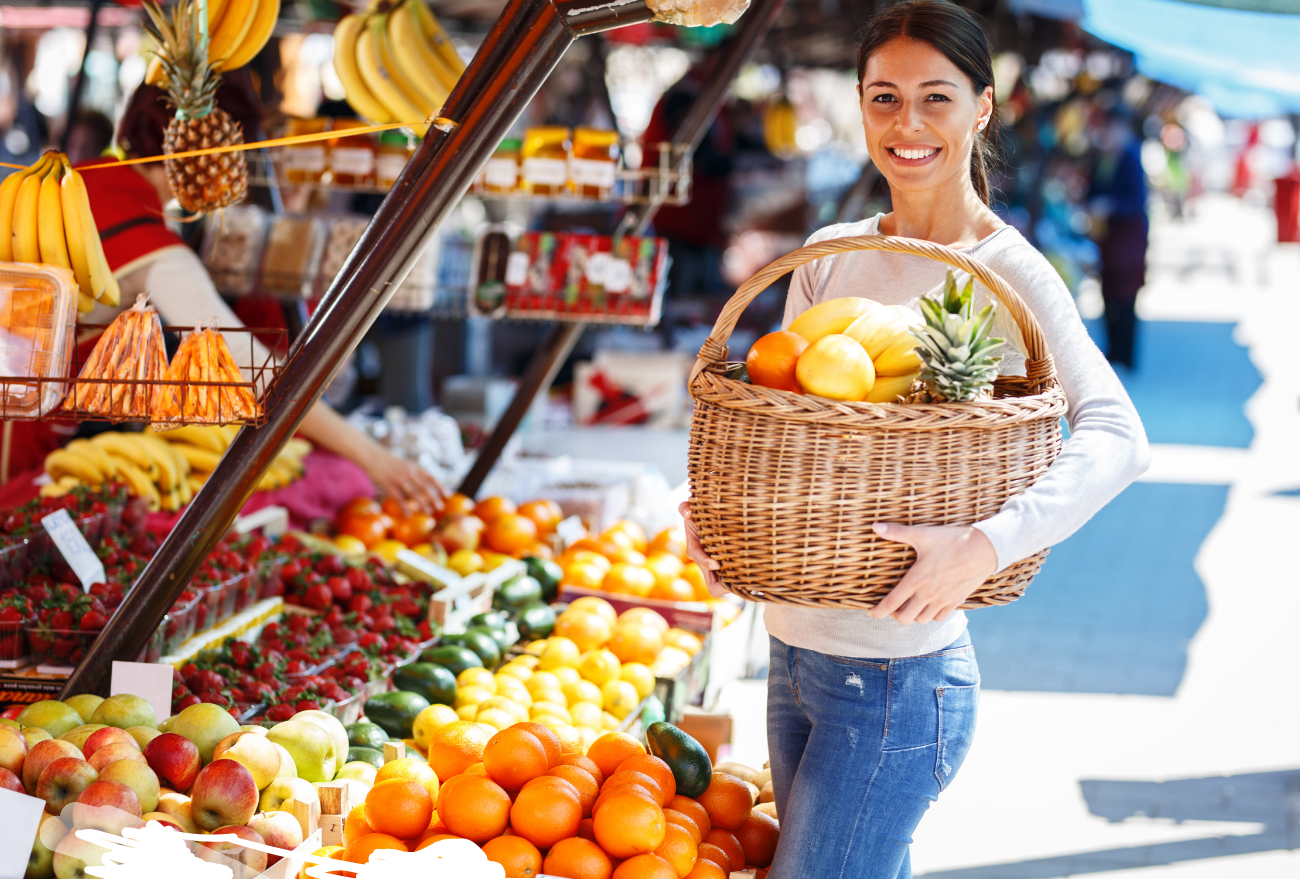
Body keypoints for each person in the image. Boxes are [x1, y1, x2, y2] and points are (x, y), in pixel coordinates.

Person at [680, 2, 1149, 876]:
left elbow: (1121, 435)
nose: (908, 124)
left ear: (981, 107)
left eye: (935, 98)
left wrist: (986, 543)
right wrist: (714, 510)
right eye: (884, 97)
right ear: (859, 104)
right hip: (790, 655)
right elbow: (782, 426)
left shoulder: (1008, 271)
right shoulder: (826, 252)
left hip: (896, 682)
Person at [77, 80, 445, 512]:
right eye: (235, 159)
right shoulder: (153, 247)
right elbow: (251, 369)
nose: (235, 178)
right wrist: (374, 460)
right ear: (205, 152)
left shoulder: (84, 181)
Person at [1089, 107, 1149, 369]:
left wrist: (1111, 205)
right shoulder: (1105, 158)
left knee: (1126, 300)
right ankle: (1113, 350)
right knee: (1108, 294)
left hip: (1128, 244)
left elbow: (1137, 202)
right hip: (1109, 244)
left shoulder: (1131, 158)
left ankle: (1126, 355)